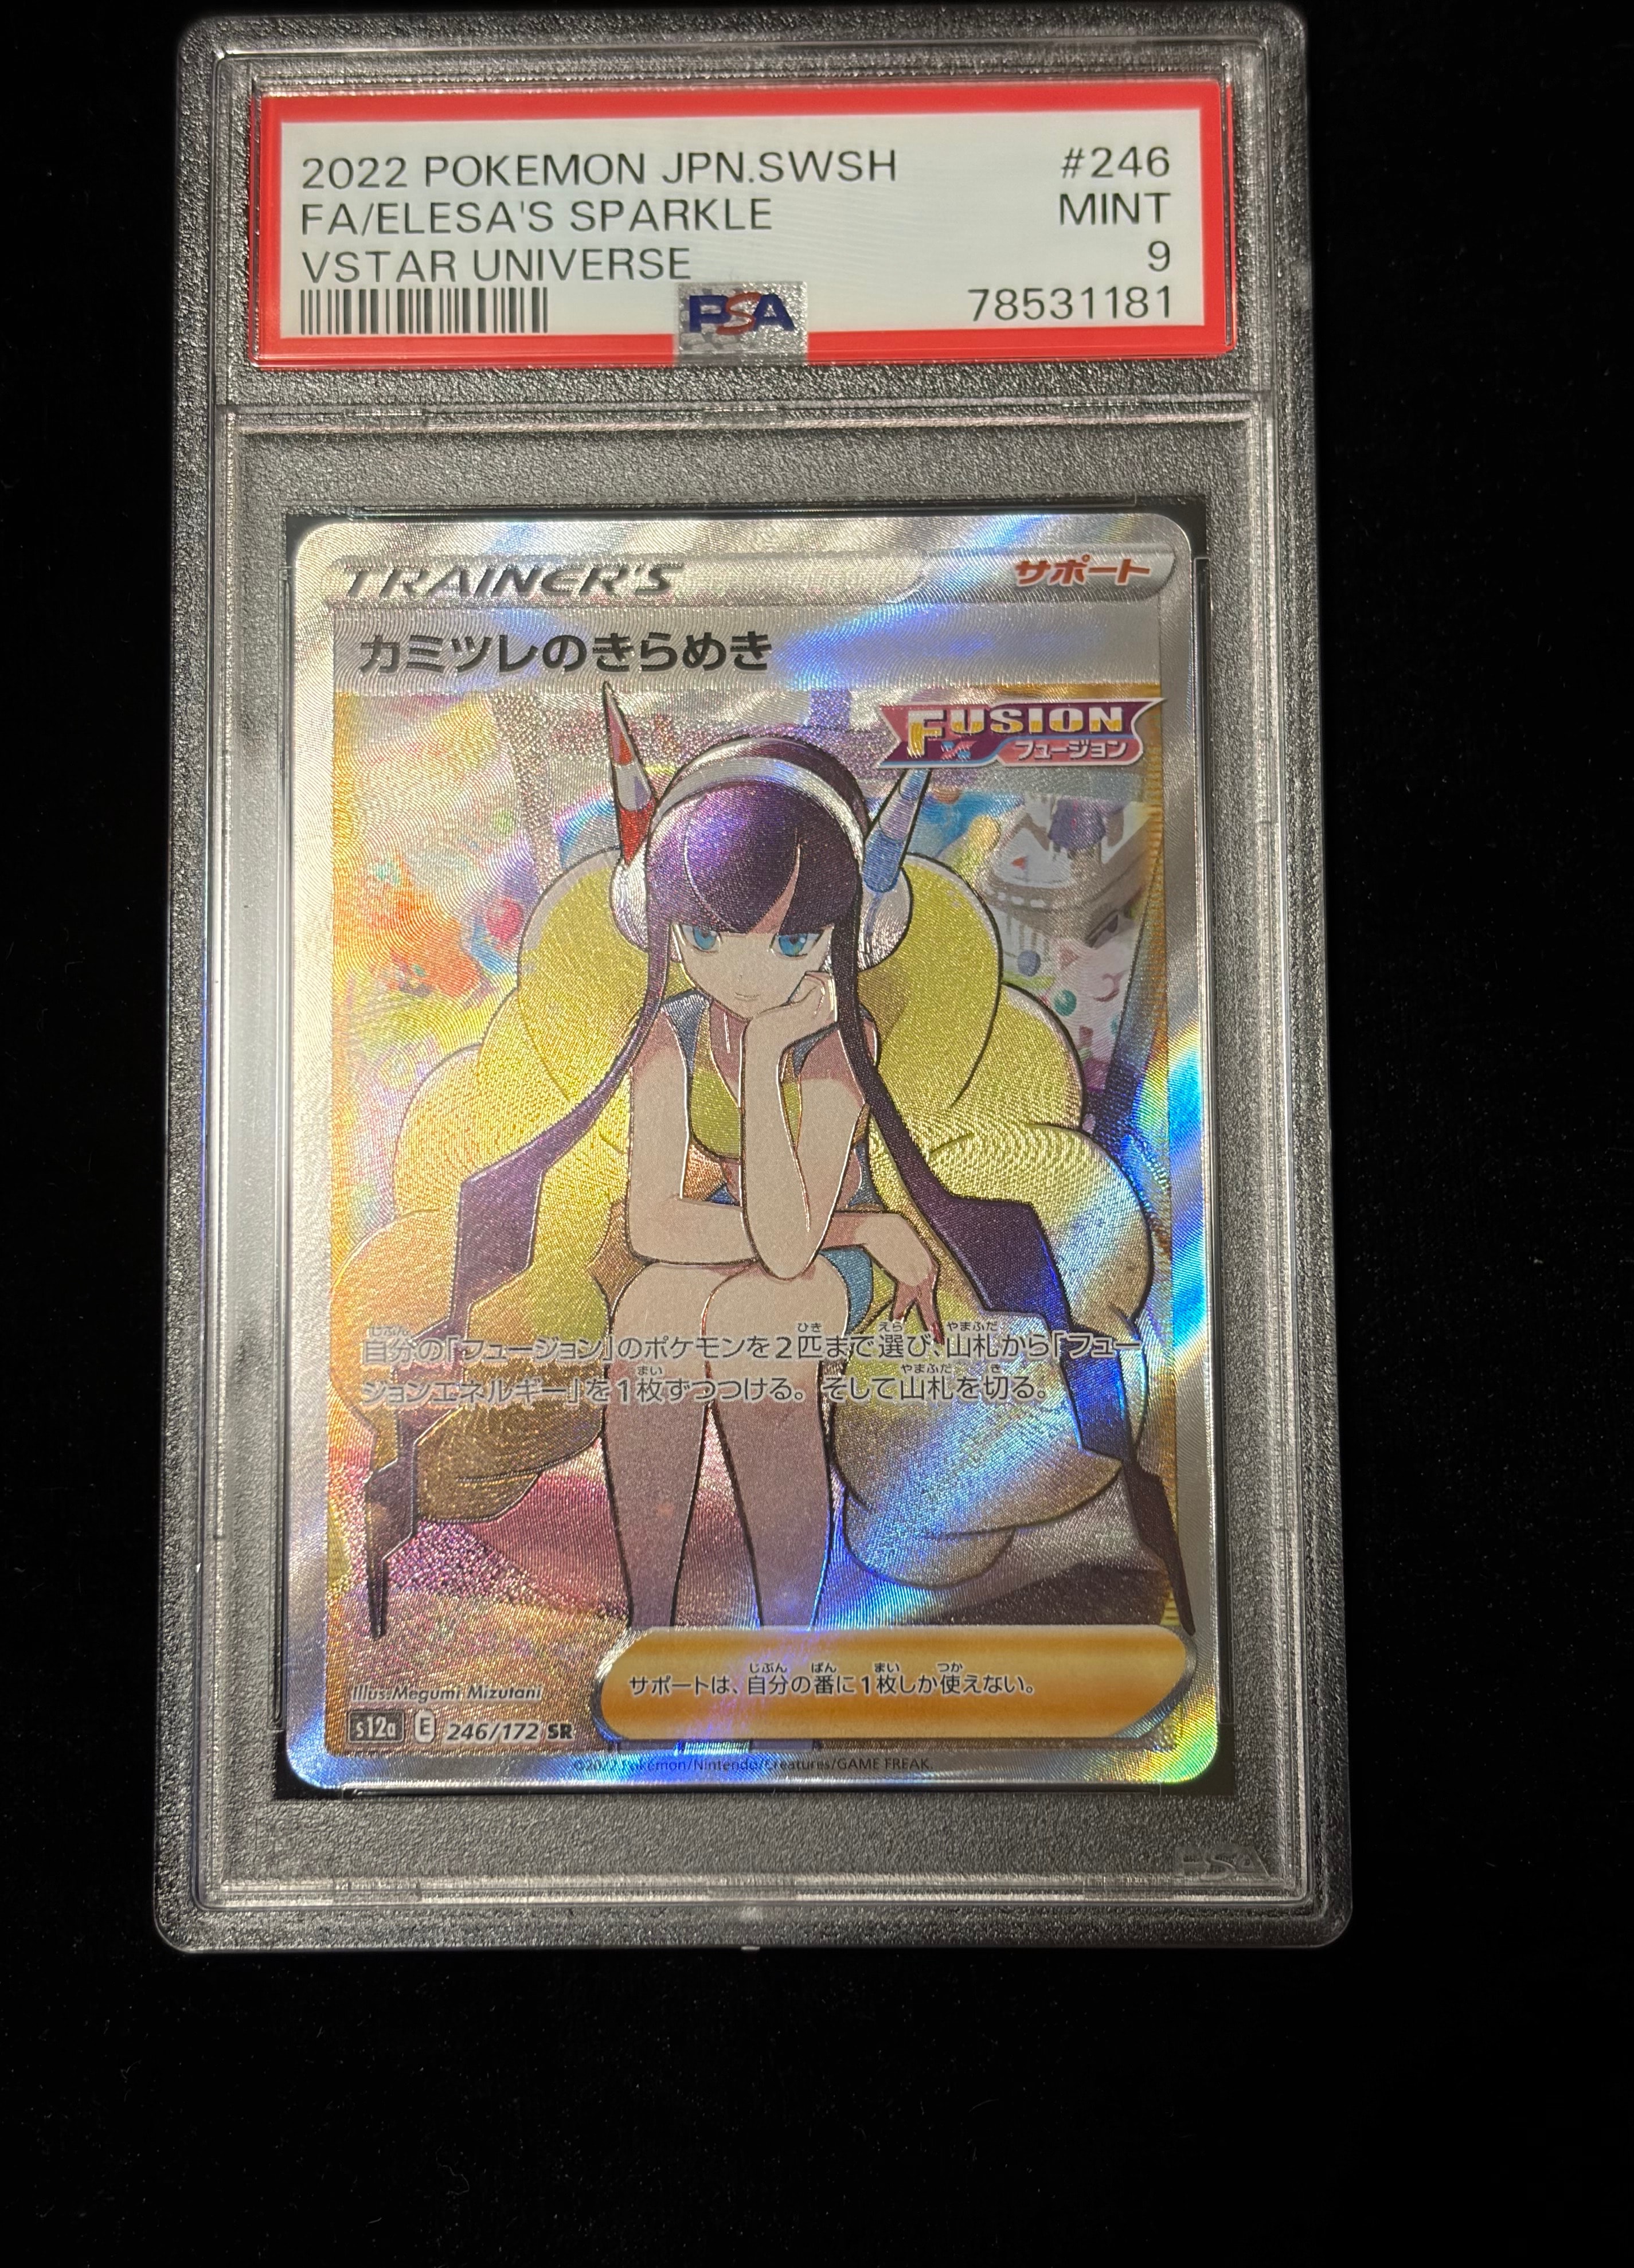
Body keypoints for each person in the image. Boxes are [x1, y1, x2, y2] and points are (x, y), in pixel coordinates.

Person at [350, 688, 1191, 1637]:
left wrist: (767, 1068)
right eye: (710, 937)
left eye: (792, 940)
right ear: (665, 923)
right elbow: (655, 1225)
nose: (748, 971)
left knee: (759, 1322)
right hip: (800, 1237)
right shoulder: (665, 1037)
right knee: (652, 1315)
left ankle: (788, 1632)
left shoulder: (841, 1043)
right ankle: (653, 1627)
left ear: (844, 932)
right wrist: (858, 1222)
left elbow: (791, 1251)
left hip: (825, 1268)